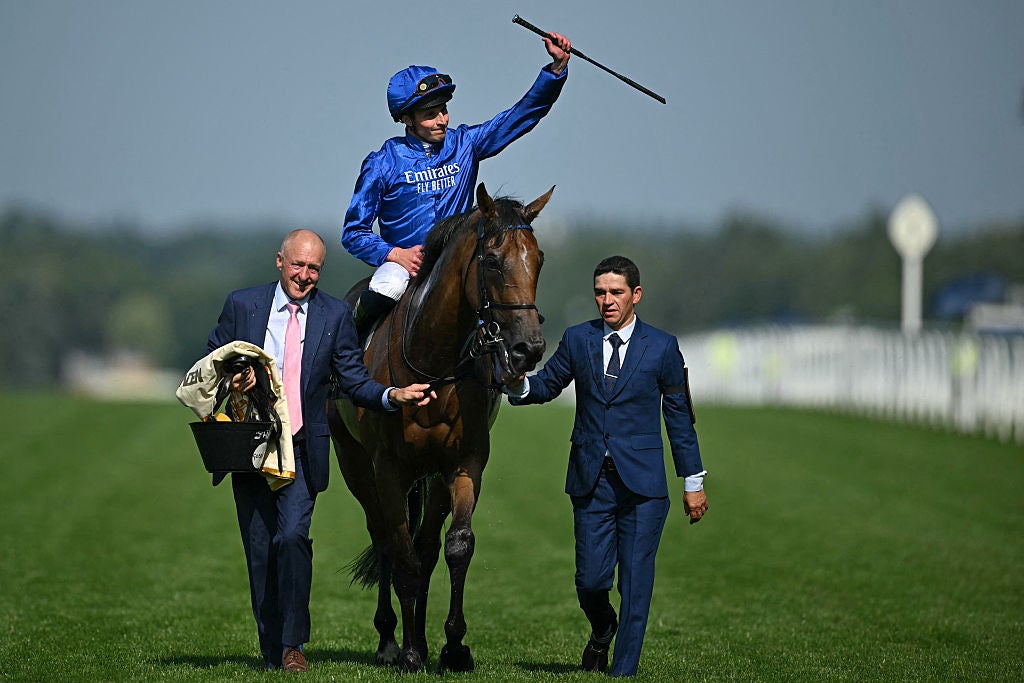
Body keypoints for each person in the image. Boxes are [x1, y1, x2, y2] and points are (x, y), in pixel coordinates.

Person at [206, 229, 434, 672]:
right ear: (279, 262)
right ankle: (271, 646)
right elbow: (214, 356)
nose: (304, 276)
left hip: (302, 449)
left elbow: (353, 379)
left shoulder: (335, 315)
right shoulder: (242, 305)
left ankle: (293, 646)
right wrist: (233, 374)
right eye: (297, 265)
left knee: (292, 538)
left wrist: (392, 397)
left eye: (313, 268)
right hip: (251, 446)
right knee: (259, 550)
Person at [504, 255, 709, 677]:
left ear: (636, 295)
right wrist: (518, 384)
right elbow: (547, 384)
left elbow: (678, 418)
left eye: (616, 292)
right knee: (591, 582)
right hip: (590, 481)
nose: (607, 300)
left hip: (644, 489)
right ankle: (602, 629)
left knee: (635, 584)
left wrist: (693, 481)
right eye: (600, 292)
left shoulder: (663, 346)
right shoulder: (578, 339)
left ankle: (623, 671)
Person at [341, 30, 572, 336]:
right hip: (404, 267)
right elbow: (353, 233)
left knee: (501, 294)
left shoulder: (466, 144)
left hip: (459, 262)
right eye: (430, 114)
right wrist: (394, 254)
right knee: (389, 284)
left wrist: (555, 71)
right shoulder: (382, 162)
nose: (442, 120)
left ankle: (514, 379)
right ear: (406, 119)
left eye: (444, 110)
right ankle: (344, 361)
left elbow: (520, 115)